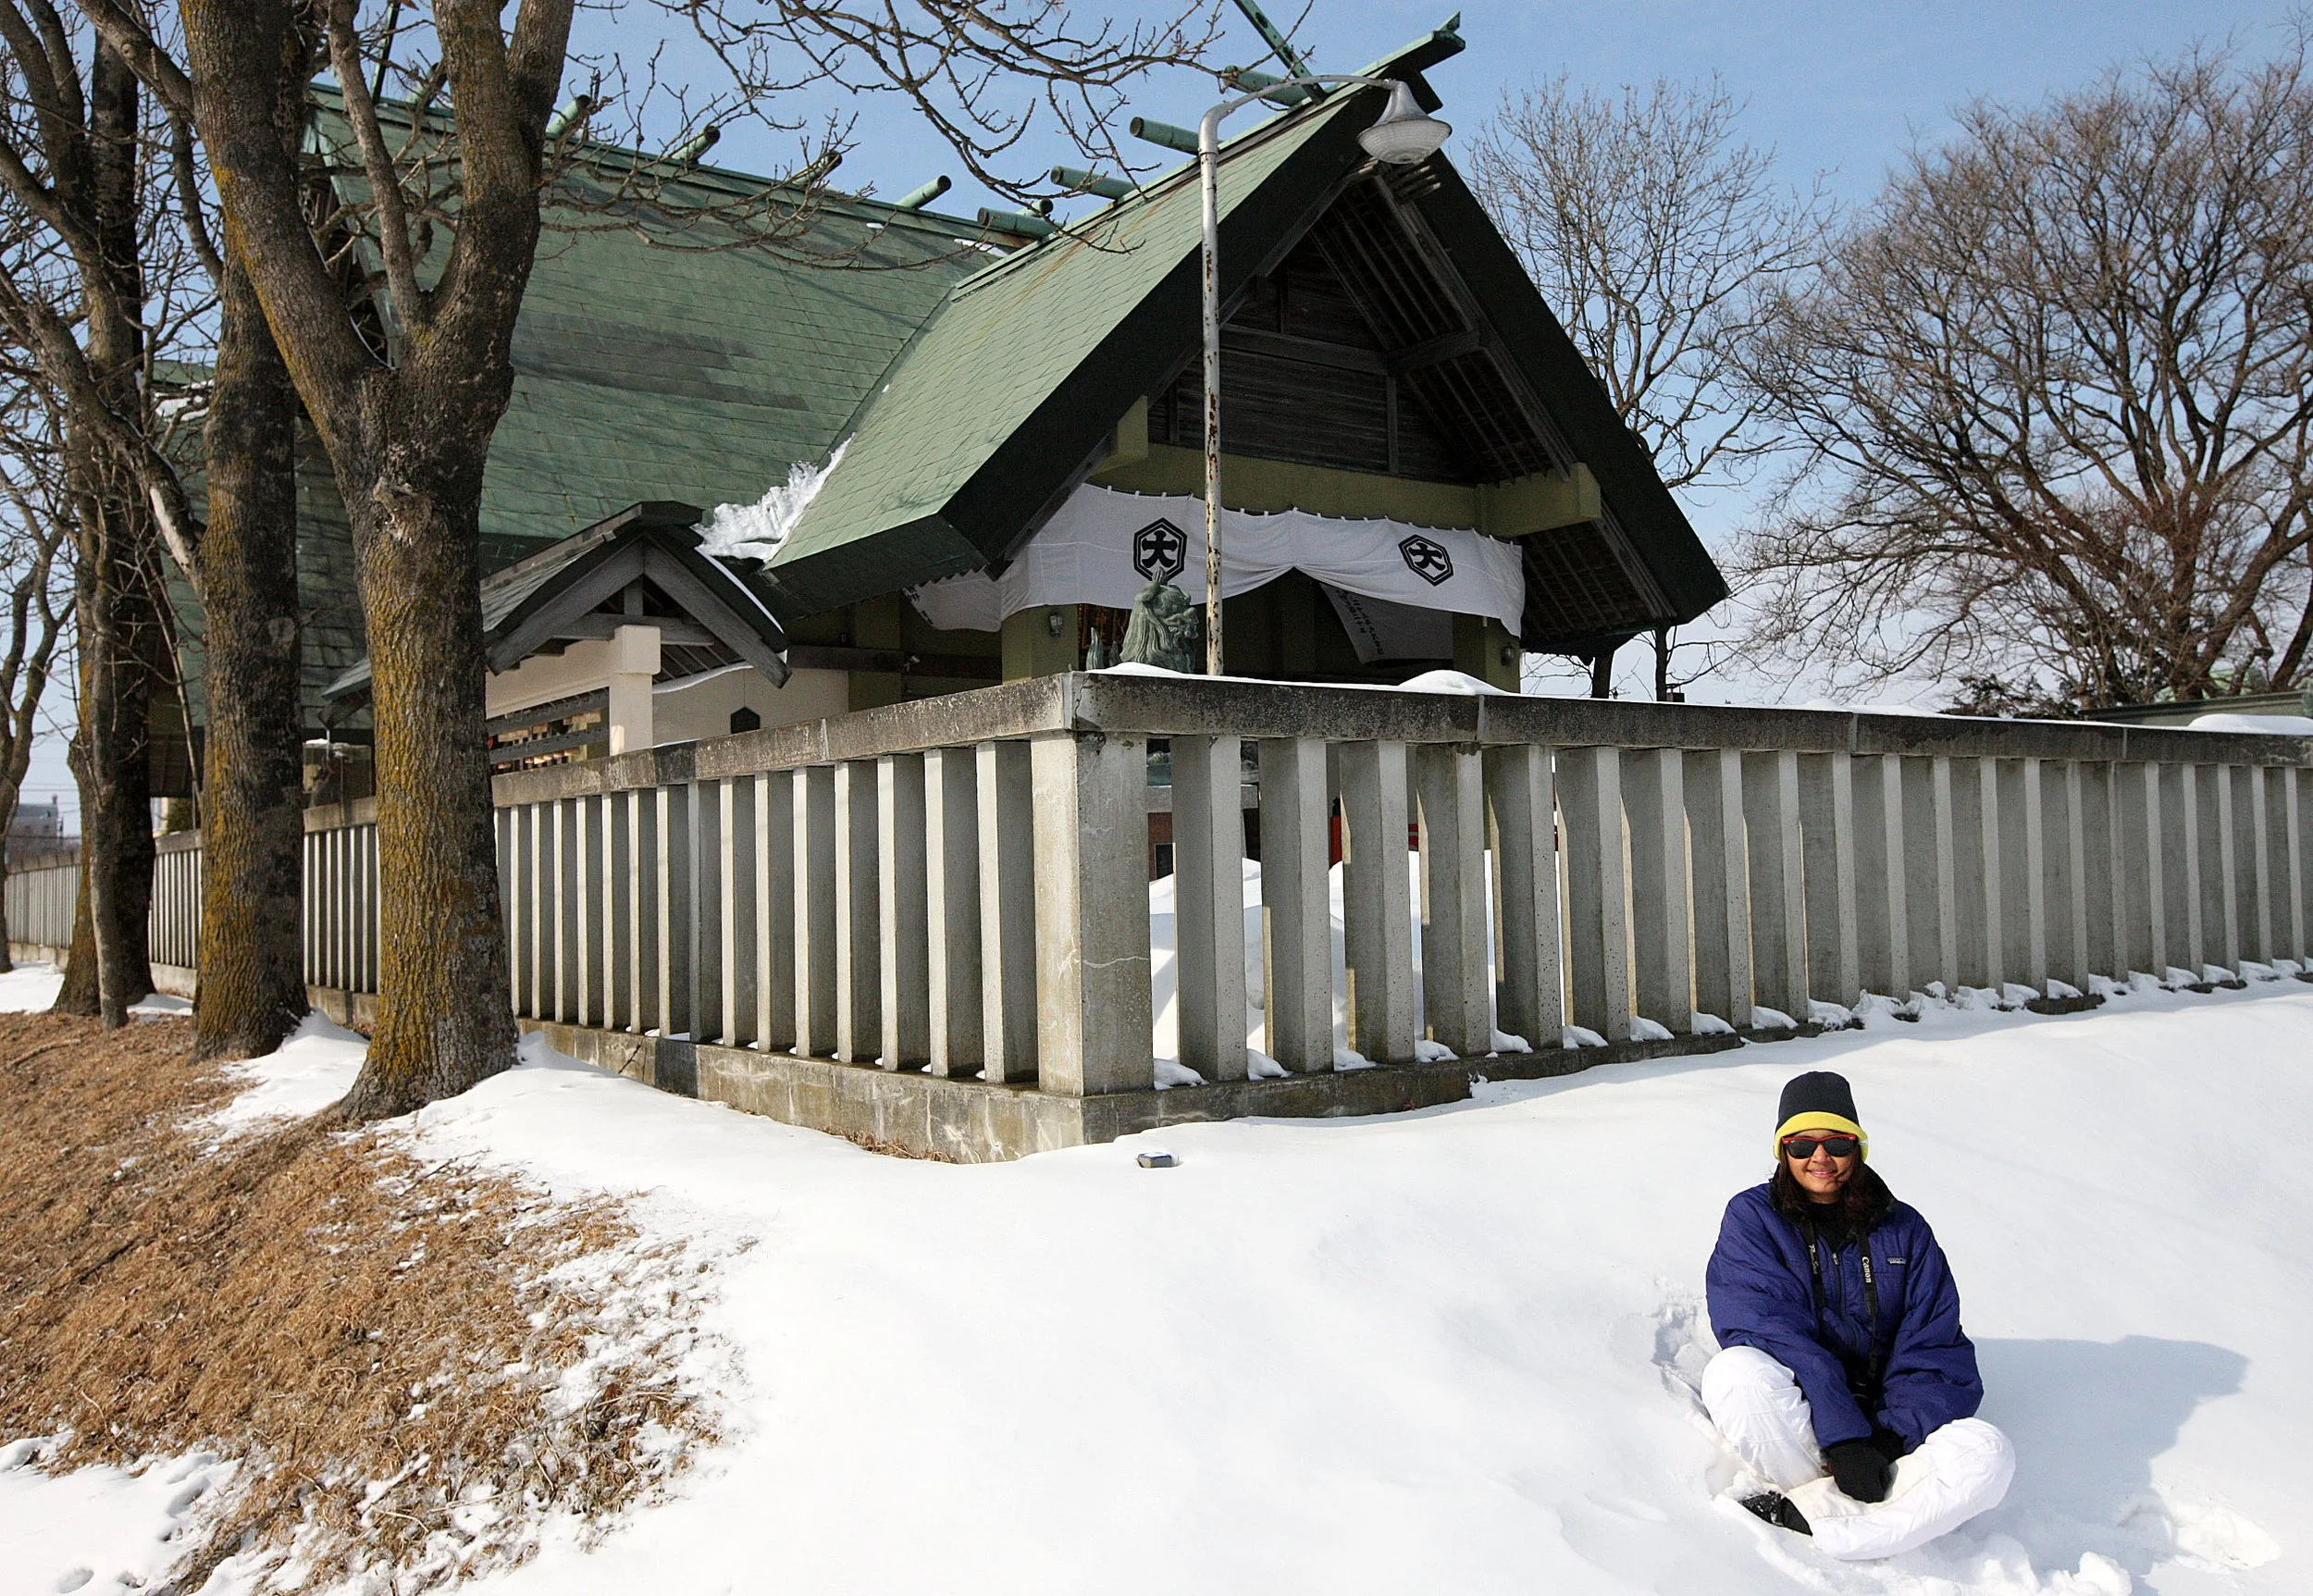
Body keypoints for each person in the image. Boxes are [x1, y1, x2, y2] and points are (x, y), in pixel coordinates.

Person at [1701, 1070, 2015, 1560]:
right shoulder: (1753, 1217)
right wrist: (1844, 1438)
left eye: (1837, 1143)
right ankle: (1886, 1521)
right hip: (1801, 1424)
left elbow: (1934, 1349)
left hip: (1889, 1442)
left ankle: (1807, 1516)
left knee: (1989, 1452)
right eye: (1802, 1145)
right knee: (1736, 1374)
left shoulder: (1905, 1229)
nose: (1819, 1159)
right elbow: (1768, 1330)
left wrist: (1886, 1441)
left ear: (1859, 1148)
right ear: (1783, 1151)